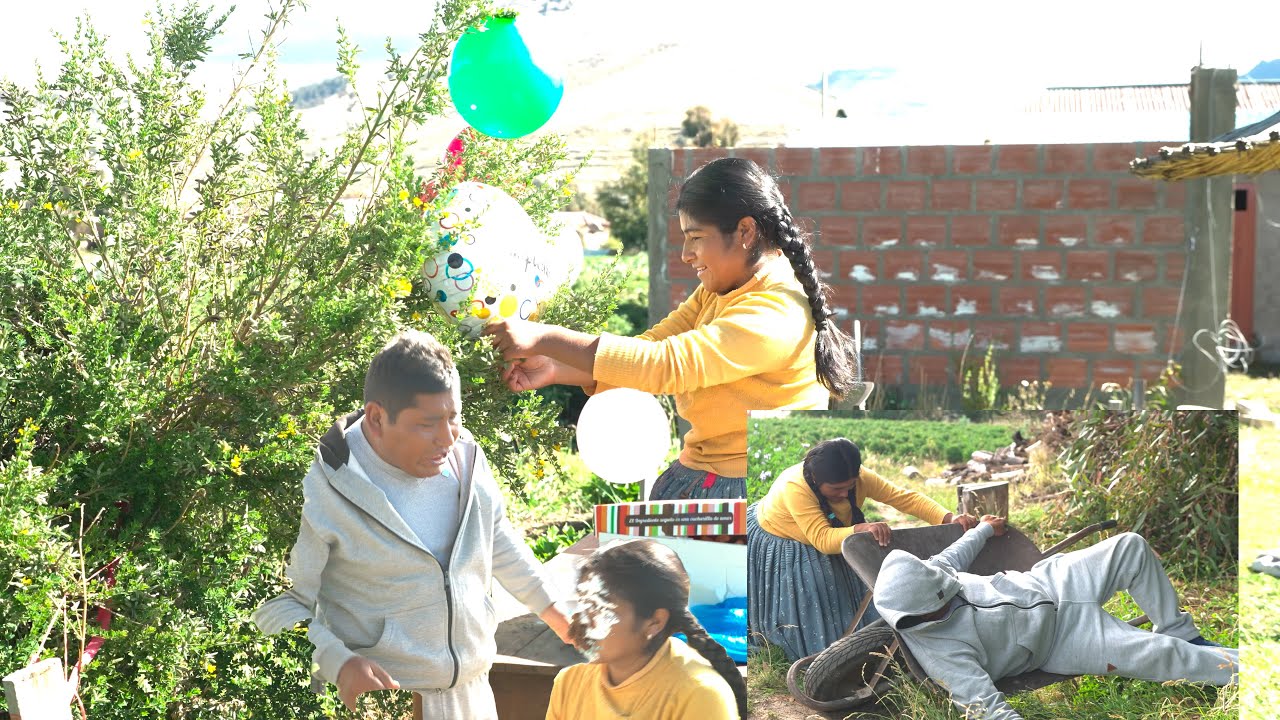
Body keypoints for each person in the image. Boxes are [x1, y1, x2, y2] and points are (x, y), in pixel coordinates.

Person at [482, 157, 862, 501]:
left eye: (696, 237)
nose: (685, 254)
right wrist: (555, 367)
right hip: (705, 474)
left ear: (745, 232)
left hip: (754, 496)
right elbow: (649, 348)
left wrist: (545, 337)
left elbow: (666, 365)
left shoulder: (775, 311)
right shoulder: (721, 290)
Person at [252, 330, 572, 718]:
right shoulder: (321, 487)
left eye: (453, 417)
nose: (447, 440)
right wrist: (339, 663)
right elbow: (276, 605)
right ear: (376, 417)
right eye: (427, 424)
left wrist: (554, 609)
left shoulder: (467, 456)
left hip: (472, 695)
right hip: (381, 703)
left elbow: (496, 538)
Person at [875, 516, 1238, 720]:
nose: (951, 589)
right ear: (920, 615)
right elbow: (986, 709)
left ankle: (1180, 630)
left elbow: (954, 555)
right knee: (1165, 655)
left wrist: (983, 528)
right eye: (942, 600)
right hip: (1061, 641)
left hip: (1050, 581)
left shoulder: (928, 575)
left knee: (1129, 546)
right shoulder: (940, 653)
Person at [748, 438, 977, 661]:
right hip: (786, 538)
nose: (844, 494)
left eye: (849, 487)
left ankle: (865, 639)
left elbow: (904, 498)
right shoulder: (795, 487)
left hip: (837, 533)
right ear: (816, 479)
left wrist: (948, 517)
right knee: (816, 592)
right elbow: (822, 539)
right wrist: (860, 529)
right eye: (836, 489)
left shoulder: (859, 478)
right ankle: (828, 656)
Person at [546, 538, 747, 720]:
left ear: (655, 622)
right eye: (583, 605)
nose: (581, 621)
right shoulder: (569, 684)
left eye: (601, 610)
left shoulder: (700, 696)